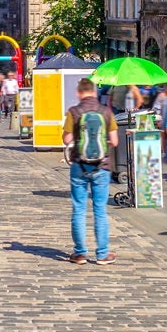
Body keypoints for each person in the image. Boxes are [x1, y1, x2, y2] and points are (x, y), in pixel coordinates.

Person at [62, 77, 120, 265]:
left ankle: (80, 253)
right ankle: (102, 254)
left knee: (79, 209)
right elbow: (115, 141)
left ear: (79, 93)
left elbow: (66, 139)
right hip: (101, 166)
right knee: (100, 210)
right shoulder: (105, 111)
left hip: (79, 165)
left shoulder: (74, 112)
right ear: (94, 92)